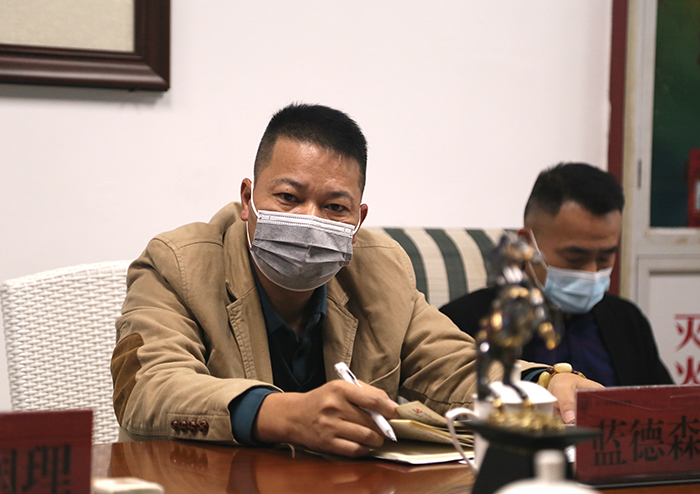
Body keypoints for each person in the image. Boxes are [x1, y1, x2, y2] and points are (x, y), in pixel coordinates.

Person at [111, 105, 600, 458]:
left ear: (358, 219)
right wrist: (283, 414)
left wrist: (544, 381)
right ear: (247, 198)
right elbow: (149, 387)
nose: (310, 219)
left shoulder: (381, 269)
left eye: (334, 207)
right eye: (288, 197)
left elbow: (451, 365)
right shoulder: (177, 263)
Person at [441, 163, 673, 388]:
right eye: (574, 257)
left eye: (604, 257)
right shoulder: (464, 324)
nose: (592, 273)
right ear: (526, 243)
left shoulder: (627, 322)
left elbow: (665, 405)